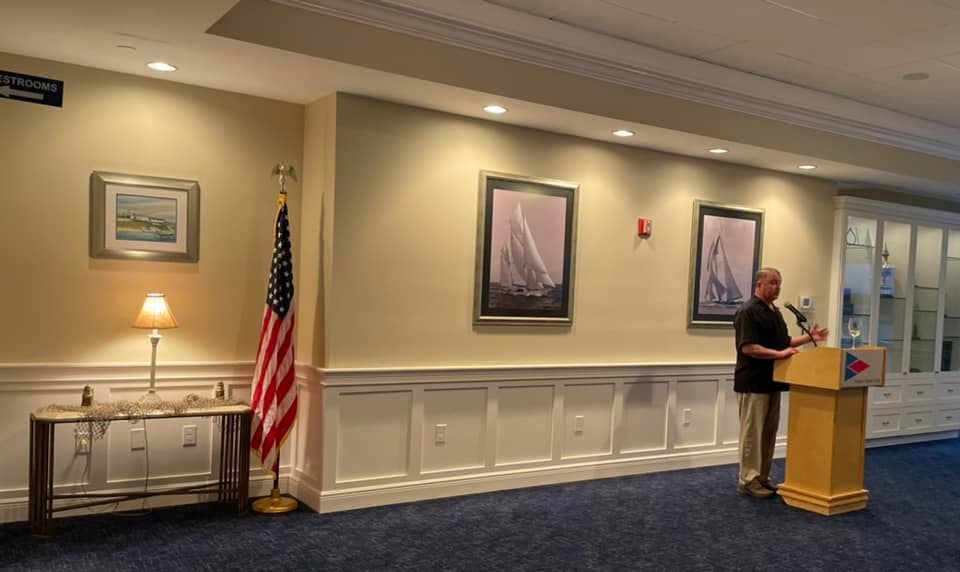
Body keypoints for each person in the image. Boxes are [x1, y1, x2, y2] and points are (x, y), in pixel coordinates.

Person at [733, 267, 828, 498]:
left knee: (768, 434)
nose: (777, 287)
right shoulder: (748, 311)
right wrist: (780, 355)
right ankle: (748, 480)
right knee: (752, 434)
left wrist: (810, 338)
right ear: (759, 284)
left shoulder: (775, 311)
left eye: (779, 283)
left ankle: (762, 477)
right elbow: (749, 348)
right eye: (773, 283)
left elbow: (784, 341)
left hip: (774, 381)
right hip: (753, 382)